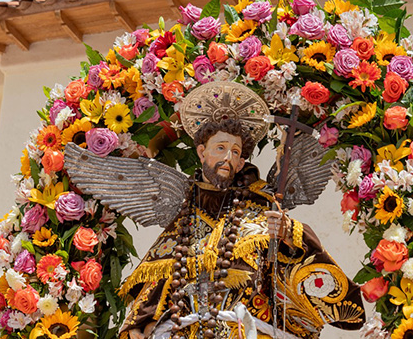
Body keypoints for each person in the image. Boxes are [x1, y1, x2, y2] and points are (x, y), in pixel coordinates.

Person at [118, 119, 365, 339]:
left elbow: (291, 271)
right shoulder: (185, 221)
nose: (227, 158)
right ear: (202, 152)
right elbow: (158, 278)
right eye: (220, 148)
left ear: (241, 163)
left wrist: (289, 234)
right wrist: (136, 325)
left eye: (235, 152)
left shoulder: (260, 212)